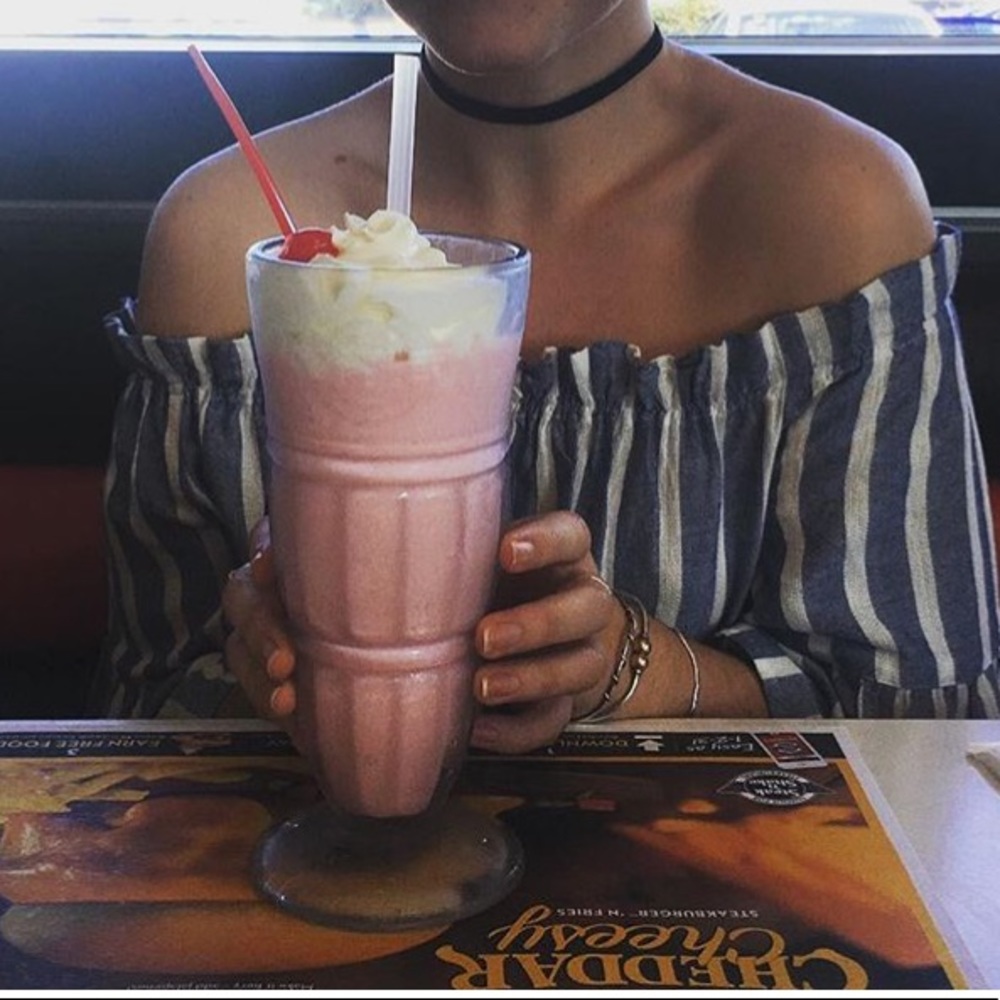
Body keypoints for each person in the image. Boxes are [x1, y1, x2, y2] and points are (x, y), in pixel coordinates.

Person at [89, 0, 1000, 749]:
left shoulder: (837, 212)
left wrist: (631, 666)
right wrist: (258, 673)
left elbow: (927, 726)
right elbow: (135, 717)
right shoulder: (225, 241)